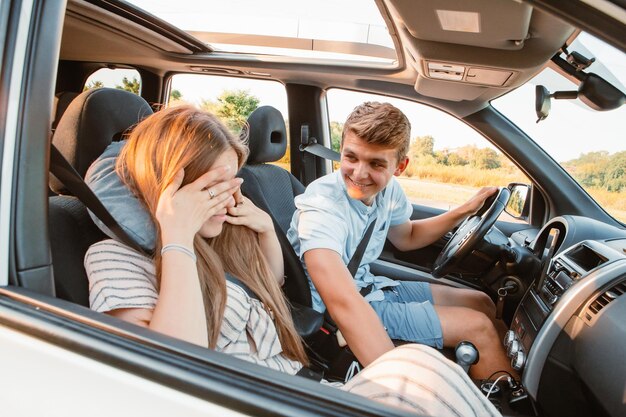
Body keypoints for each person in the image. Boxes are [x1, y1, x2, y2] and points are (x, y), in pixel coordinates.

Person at [84, 105, 500, 416]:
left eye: (234, 181)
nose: (232, 196)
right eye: (215, 185)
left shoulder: (218, 237)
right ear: (168, 183)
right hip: (263, 399)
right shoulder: (115, 259)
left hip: (302, 382)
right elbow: (174, 372)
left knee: (428, 369)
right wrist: (176, 237)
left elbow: (272, 286)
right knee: (423, 372)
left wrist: (264, 227)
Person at [287, 101, 515, 379]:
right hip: (334, 314)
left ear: (400, 166)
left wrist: (464, 210)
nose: (359, 174)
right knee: (476, 327)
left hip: (370, 287)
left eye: (376, 163)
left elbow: (406, 236)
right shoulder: (322, 206)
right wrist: (396, 386)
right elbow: (343, 302)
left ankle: (507, 381)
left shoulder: (388, 192)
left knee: (482, 302)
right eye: (351, 157)